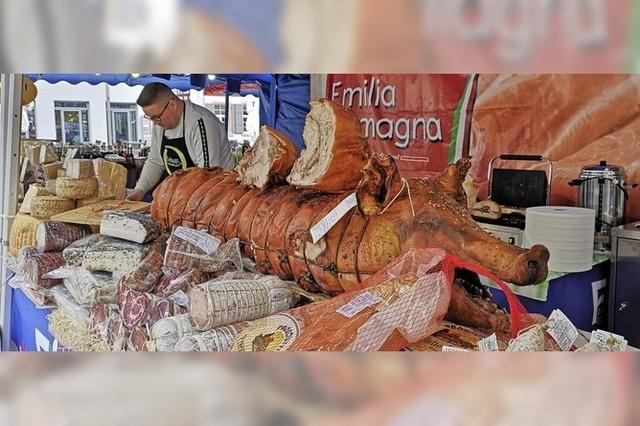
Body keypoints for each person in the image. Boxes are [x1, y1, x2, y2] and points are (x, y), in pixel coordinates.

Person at [127, 82, 235, 201]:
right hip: (185, 198)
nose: (155, 122)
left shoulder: (201, 123)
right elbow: (155, 161)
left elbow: (208, 174)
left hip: (218, 199)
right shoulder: (160, 125)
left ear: (172, 105)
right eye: (150, 118)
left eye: (157, 117)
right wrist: (139, 190)